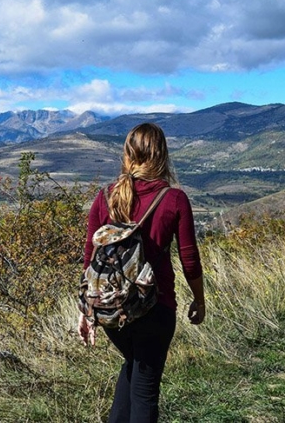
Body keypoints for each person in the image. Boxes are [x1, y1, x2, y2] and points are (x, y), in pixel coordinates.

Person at [77, 122, 205, 423]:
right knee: (145, 392)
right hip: (155, 306)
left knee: (133, 369)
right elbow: (190, 259)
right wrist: (199, 300)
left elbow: (90, 256)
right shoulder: (173, 199)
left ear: (127, 153)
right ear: (162, 154)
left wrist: (86, 310)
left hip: (111, 308)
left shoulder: (105, 196)